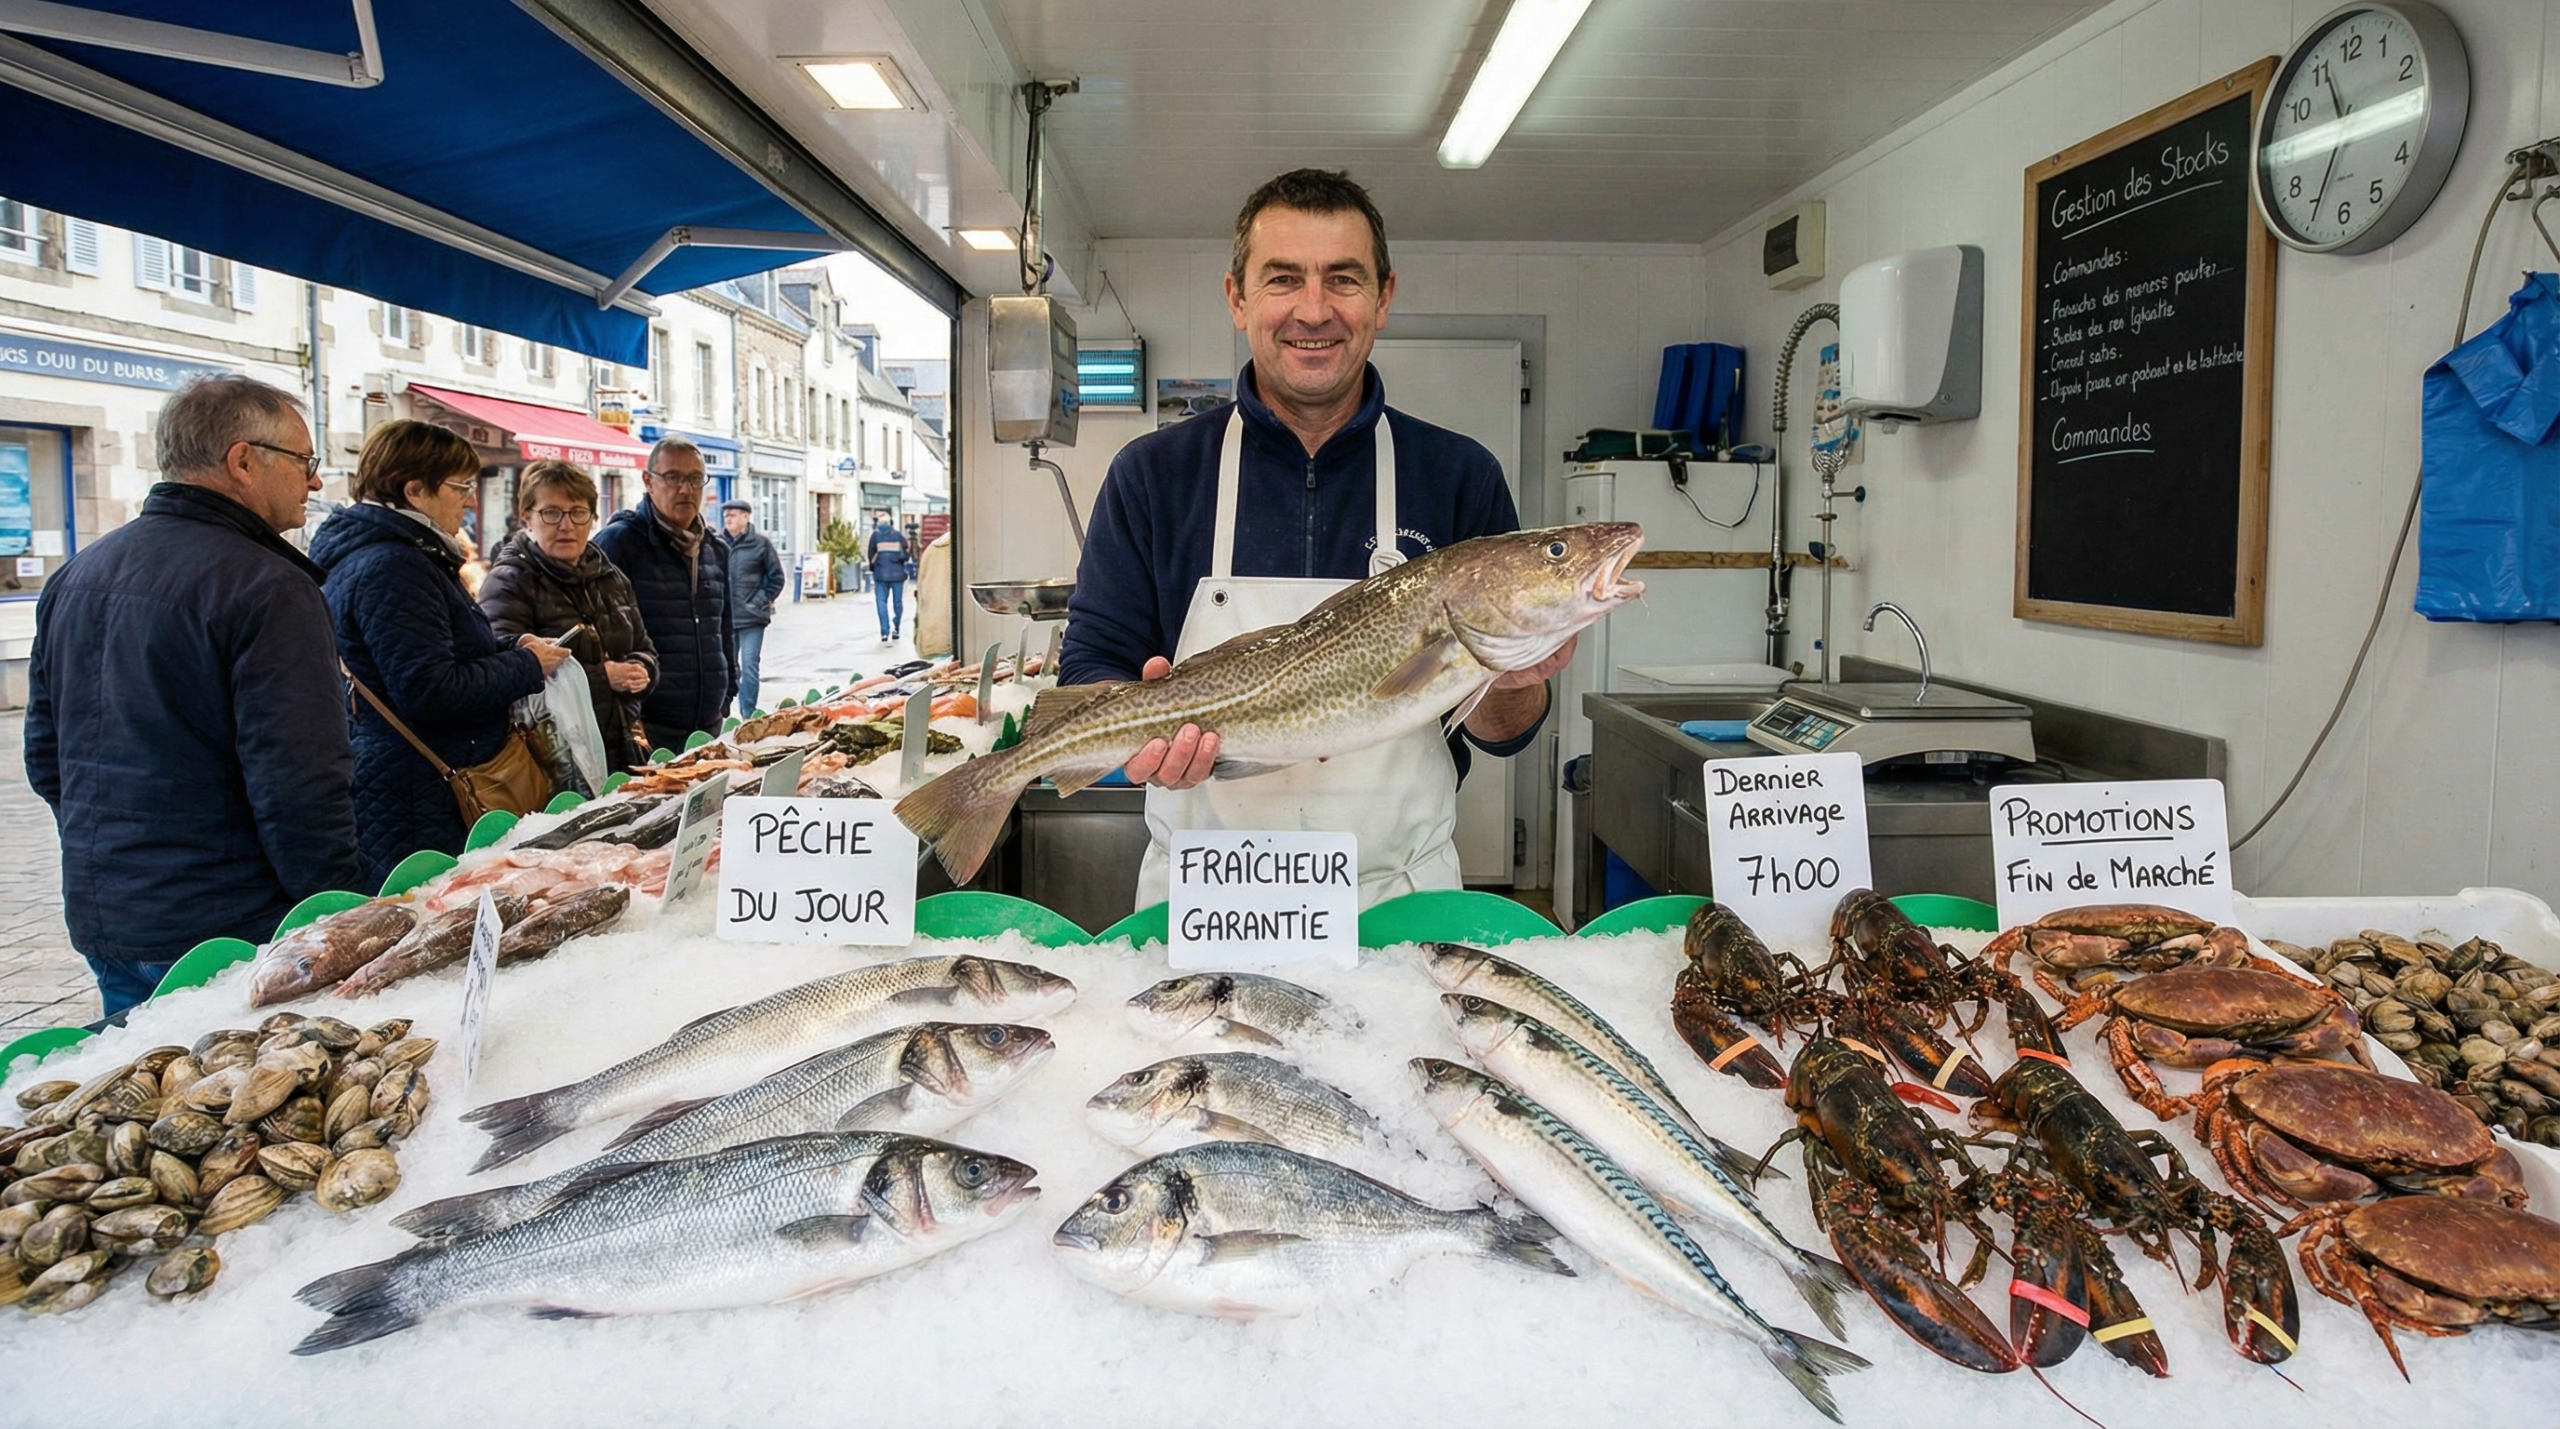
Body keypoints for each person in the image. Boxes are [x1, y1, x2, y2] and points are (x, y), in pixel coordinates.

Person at [1060, 167, 1568, 909]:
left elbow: (1502, 735)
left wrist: (1512, 679)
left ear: (1383, 298)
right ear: (1237, 298)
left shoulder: (1459, 474)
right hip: (1210, 899)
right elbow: (1090, 672)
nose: (1313, 309)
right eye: (1283, 279)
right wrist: (1145, 739)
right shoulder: (1153, 474)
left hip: (1397, 902)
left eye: (1343, 279)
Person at [26, 375, 364, 1018]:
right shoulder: (267, 587)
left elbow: (47, 760)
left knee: (143, 1097)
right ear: (243, 461)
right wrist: (338, 912)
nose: (314, 483)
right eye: (304, 462)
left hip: (111, 912)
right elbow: (301, 783)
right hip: (227, 925)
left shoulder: (78, 574)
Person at [311, 422, 569, 887]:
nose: (470, 500)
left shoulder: (401, 554)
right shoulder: (393, 565)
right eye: (461, 487)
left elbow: (432, 653)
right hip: (422, 794)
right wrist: (526, 666)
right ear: (415, 490)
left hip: (416, 784)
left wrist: (511, 646)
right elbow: (429, 689)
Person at [478, 459, 660, 773]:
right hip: (554, 761)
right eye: (551, 513)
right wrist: (604, 677)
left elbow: (645, 647)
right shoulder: (510, 582)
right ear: (527, 517)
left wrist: (642, 669)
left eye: (578, 513)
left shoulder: (610, 576)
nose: (567, 525)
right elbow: (506, 673)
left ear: (593, 517)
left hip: (623, 749)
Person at [593, 436, 735, 751]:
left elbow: (724, 628)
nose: (685, 489)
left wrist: (727, 692)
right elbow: (598, 636)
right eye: (673, 477)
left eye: (695, 479)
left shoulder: (716, 549)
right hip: (648, 725)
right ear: (649, 481)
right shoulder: (619, 544)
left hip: (709, 721)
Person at [722, 498, 785, 713]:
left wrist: (759, 601)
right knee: (728, 669)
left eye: (732, 515)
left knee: (749, 666)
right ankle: (724, 714)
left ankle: (747, 714)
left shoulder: (761, 544)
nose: (728, 519)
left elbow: (777, 577)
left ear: (745, 517)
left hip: (752, 618)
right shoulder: (718, 543)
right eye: (726, 515)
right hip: (726, 618)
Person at [865, 509, 911, 643]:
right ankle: (896, 627)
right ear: (890, 523)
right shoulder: (898, 536)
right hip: (898, 575)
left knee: (881, 602)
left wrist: (874, 568)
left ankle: (884, 632)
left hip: (880, 575)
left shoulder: (875, 536)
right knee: (897, 603)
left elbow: (870, 554)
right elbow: (906, 553)